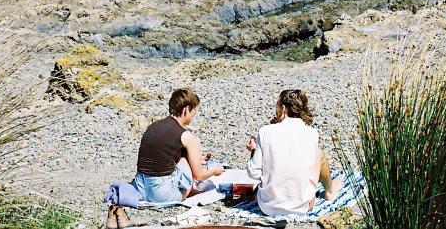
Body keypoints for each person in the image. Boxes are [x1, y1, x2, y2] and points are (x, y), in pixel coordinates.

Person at [107, 88, 225, 229]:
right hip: (162, 195)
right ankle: (188, 192)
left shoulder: (153, 126)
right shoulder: (186, 136)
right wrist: (215, 170)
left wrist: (197, 158)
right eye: (194, 111)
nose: (194, 115)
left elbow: (162, 155)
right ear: (186, 109)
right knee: (188, 159)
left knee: (184, 156)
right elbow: (199, 175)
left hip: (140, 190)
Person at [245, 89, 342, 217]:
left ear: (284, 108)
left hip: (267, 207)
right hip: (301, 207)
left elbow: (253, 173)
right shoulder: (312, 133)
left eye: (277, 107)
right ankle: (329, 190)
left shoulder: (265, 131)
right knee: (319, 154)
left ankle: (328, 189)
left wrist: (254, 151)